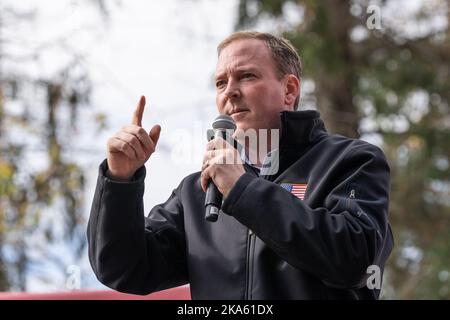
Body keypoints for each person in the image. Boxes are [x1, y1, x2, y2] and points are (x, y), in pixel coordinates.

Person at [87, 31, 394, 299]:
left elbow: (356, 259)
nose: (229, 91)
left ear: (289, 90)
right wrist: (120, 181)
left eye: (247, 76)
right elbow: (122, 267)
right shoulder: (196, 193)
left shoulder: (350, 161)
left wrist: (242, 190)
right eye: (220, 82)